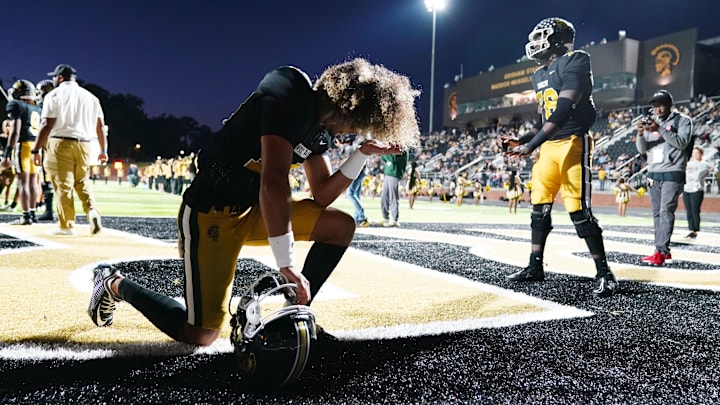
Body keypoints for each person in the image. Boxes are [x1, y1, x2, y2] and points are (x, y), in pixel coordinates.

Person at [87, 58, 420, 347]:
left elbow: (322, 194)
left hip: (252, 210)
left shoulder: (319, 131)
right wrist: (286, 262)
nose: (352, 131)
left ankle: (294, 315)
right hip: (211, 214)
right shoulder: (289, 89)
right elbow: (274, 180)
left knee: (340, 226)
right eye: (358, 123)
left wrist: (361, 154)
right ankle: (113, 283)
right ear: (348, 107)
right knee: (200, 334)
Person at [500, 17, 618, 297]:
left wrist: (532, 145)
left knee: (578, 210)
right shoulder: (539, 74)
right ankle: (535, 266)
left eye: (542, 36)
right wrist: (524, 140)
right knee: (538, 209)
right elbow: (546, 118)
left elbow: (564, 109)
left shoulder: (575, 59)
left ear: (556, 39)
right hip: (549, 148)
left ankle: (605, 273)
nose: (535, 43)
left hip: (572, 143)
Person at [32, 64, 108, 236]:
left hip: (60, 143)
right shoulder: (91, 97)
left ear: (60, 78)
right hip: (85, 144)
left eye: (54, 77)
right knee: (82, 181)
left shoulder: (54, 94)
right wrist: (103, 150)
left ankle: (66, 225)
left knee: (63, 184)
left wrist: (36, 150)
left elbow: (46, 124)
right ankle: (92, 211)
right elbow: (100, 126)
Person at [635, 89, 693, 266]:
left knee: (665, 211)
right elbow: (642, 149)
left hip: (673, 171)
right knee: (656, 213)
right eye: (655, 106)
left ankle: (660, 250)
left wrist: (659, 129)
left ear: (669, 104)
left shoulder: (683, 120)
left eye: (661, 105)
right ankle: (662, 250)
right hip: (654, 171)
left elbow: (682, 142)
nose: (658, 109)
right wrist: (639, 133)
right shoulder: (652, 122)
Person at [1, 80, 42, 225]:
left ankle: (25, 216)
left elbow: (15, 132)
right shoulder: (37, 108)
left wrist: (7, 154)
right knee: (33, 183)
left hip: (23, 146)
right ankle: (32, 213)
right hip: (35, 146)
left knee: (22, 182)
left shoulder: (16, 105)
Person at [35, 79, 57, 222]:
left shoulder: (46, 104)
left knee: (46, 178)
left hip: (48, 143)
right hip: (61, 143)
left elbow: (44, 124)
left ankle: (49, 210)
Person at [682, 147, 710, 239]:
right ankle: (691, 229)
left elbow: (697, 176)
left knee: (695, 211)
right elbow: (684, 175)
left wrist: (690, 176)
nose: (695, 155)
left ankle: (695, 230)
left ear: (701, 154)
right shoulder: (688, 164)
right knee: (688, 211)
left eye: (697, 153)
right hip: (686, 189)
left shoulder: (704, 164)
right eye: (694, 153)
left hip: (696, 189)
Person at [344, 135, 370, 227]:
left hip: (359, 170)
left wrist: (343, 146)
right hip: (362, 170)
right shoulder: (361, 138)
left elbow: (354, 152)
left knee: (350, 194)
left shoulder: (359, 140)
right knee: (356, 194)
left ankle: (362, 216)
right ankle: (358, 218)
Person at [380, 150, 408, 227]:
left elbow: (393, 159)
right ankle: (386, 217)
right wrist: (386, 155)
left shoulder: (402, 149)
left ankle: (395, 220)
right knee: (384, 197)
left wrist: (385, 153)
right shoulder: (395, 149)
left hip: (395, 173)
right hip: (388, 173)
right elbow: (385, 158)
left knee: (393, 197)